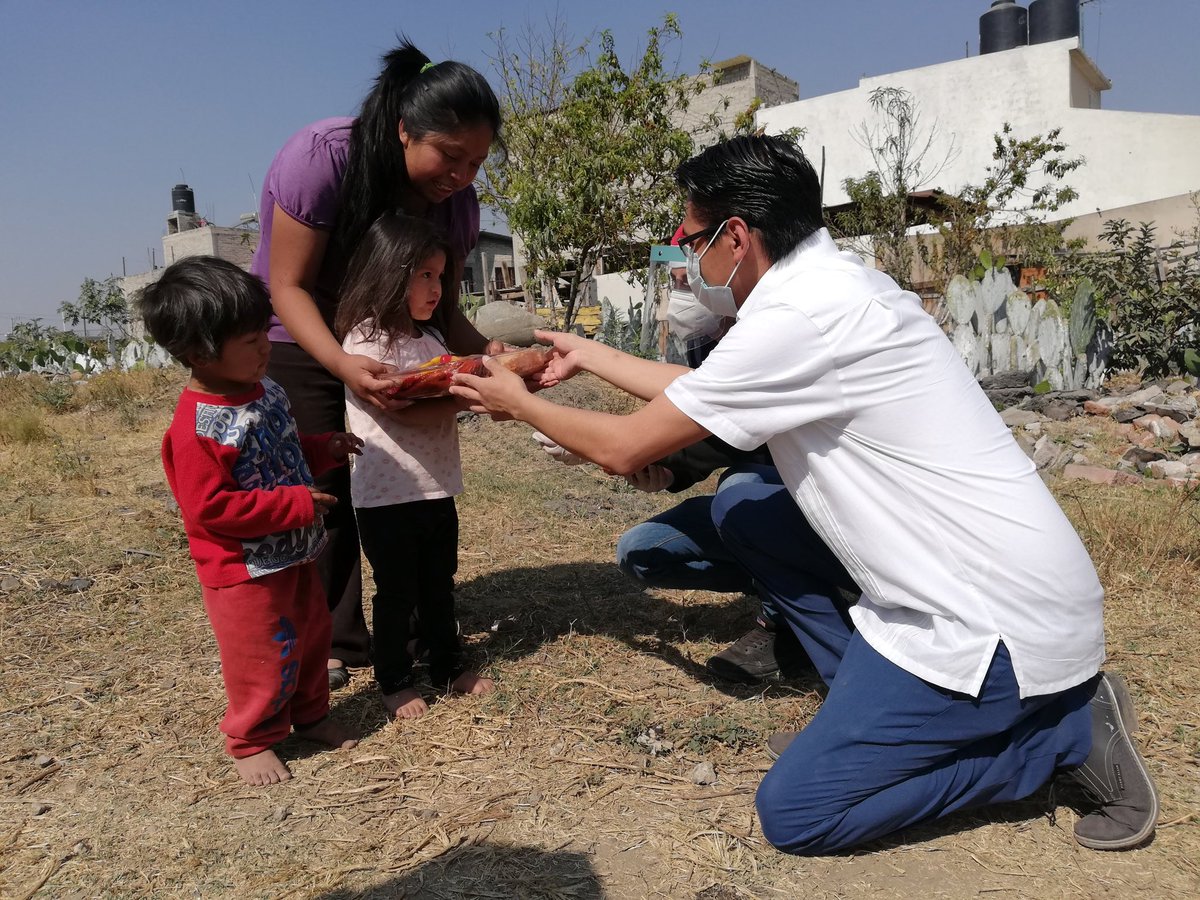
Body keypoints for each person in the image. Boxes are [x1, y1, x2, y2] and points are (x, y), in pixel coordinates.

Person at [450, 134, 1160, 853]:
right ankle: (878, 710)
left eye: (691, 240)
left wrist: (520, 405)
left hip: (991, 622)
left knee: (799, 813)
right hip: (996, 586)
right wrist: (591, 355)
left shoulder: (800, 317)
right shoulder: (830, 288)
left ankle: (1064, 737)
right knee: (752, 516)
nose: (687, 259)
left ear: (736, 237)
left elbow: (626, 447)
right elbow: (705, 392)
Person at [250, 38, 504, 691]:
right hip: (302, 327)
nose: (462, 175)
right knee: (326, 481)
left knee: (405, 477)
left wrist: (488, 358)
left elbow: (445, 312)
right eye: (450, 156)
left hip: (398, 337)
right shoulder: (323, 159)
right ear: (402, 129)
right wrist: (341, 363)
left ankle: (421, 631)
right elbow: (288, 285)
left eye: (477, 162)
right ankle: (339, 640)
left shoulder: (456, 204)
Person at [136, 256, 362, 785]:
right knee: (262, 654)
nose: (265, 345)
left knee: (310, 636)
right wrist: (293, 505)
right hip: (243, 571)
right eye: (249, 339)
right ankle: (251, 739)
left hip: (294, 554)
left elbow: (283, 451)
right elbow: (210, 508)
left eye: (263, 331)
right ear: (198, 353)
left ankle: (311, 716)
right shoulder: (198, 427)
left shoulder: (266, 391)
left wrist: (323, 448)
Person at [334, 212, 495, 718]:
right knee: (398, 591)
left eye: (440, 276)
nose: (436, 287)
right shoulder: (365, 342)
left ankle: (448, 665)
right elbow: (400, 405)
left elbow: (447, 381)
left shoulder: (432, 341)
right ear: (389, 273)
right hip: (386, 494)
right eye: (424, 275)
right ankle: (395, 679)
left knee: (439, 582)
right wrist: (473, 398)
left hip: (435, 486)